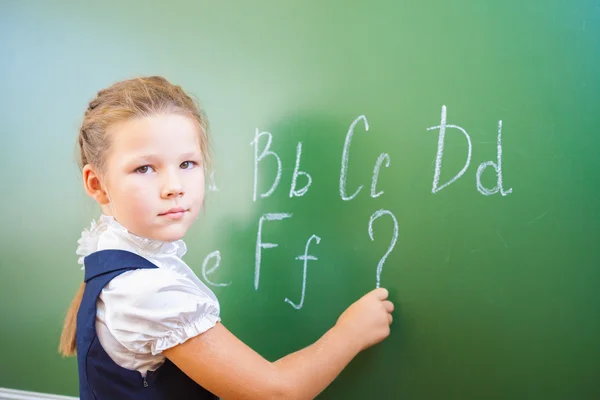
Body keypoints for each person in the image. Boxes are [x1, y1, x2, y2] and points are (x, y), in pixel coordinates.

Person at [58, 76, 394, 399]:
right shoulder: (147, 292)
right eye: (144, 168)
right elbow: (278, 393)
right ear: (98, 185)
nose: (174, 186)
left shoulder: (113, 253)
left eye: (188, 163)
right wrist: (351, 332)